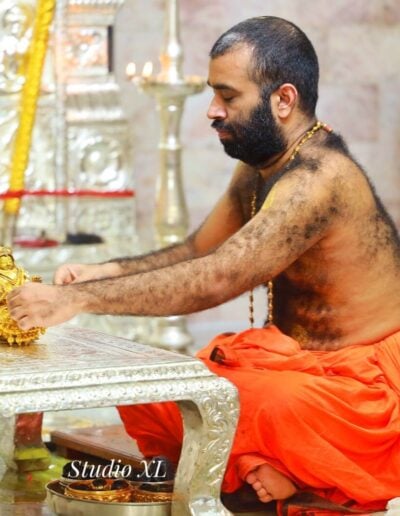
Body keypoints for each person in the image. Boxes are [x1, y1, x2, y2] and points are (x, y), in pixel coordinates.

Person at [7, 16, 400, 513]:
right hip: (296, 364)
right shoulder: (265, 167)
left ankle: (300, 471)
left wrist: (75, 299)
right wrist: (109, 271)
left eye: (228, 96)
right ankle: (270, 464)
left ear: (283, 99)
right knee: (153, 388)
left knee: (251, 400)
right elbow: (199, 250)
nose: (213, 111)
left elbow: (218, 277)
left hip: (359, 392)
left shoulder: (318, 179)